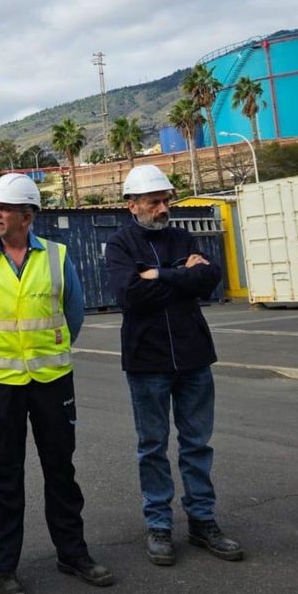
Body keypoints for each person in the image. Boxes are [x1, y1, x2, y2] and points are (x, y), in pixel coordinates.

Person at [0, 173, 112, 594]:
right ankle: (3, 568)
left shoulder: (58, 257)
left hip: (52, 379)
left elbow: (73, 314)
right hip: (1, 383)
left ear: (27, 215)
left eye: (3, 208)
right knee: (3, 475)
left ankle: (72, 553)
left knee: (61, 470)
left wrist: (46, 350)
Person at [103, 164, 243, 568]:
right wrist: (184, 275)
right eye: (154, 201)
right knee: (152, 447)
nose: (163, 207)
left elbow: (211, 279)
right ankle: (159, 525)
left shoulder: (182, 236)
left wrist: (161, 274)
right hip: (147, 360)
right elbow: (129, 294)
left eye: (165, 200)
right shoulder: (119, 245)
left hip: (194, 356)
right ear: (132, 205)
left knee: (197, 444)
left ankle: (202, 521)